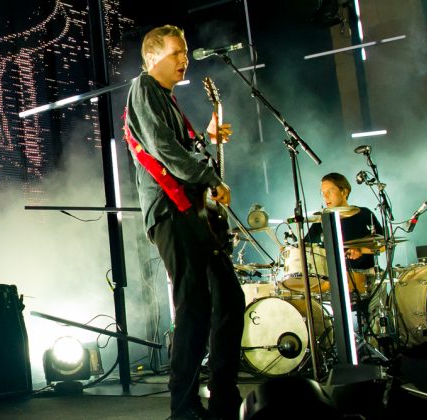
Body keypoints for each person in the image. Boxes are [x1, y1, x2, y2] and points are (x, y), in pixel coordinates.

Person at [124, 25, 244, 420]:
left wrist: (205, 139)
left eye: (186, 52)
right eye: (177, 52)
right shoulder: (143, 88)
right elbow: (162, 148)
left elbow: (179, 148)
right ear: (152, 57)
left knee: (229, 298)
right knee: (193, 306)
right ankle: (184, 407)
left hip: (191, 212)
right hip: (170, 212)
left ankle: (224, 395)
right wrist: (211, 176)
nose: (184, 59)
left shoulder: (167, 99)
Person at [304, 172, 383, 294]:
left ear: (344, 192)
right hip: (333, 279)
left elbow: (383, 245)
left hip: (367, 277)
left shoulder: (364, 214)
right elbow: (305, 247)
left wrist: (361, 250)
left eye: (329, 192)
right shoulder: (321, 220)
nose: (325, 196)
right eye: (322, 193)